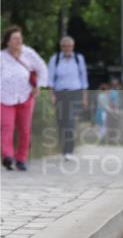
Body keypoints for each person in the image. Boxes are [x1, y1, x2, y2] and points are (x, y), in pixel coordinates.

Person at [0, 25, 48, 170]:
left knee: (24, 129)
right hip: (4, 97)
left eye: (19, 38)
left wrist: (39, 85)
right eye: (14, 38)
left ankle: (21, 158)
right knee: (6, 127)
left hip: (25, 95)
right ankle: (7, 155)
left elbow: (42, 68)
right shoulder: (1, 56)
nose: (18, 41)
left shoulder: (29, 53)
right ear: (7, 42)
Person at [47, 35, 89, 160]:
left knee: (70, 121)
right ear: (61, 47)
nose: (67, 48)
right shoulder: (55, 59)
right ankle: (63, 148)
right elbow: (50, 80)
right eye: (64, 46)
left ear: (73, 46)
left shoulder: (78, 59)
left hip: (75, 93)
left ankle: (69, 150)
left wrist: (84, 97)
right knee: (61, 122)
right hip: (60, 94)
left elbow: (84, 79)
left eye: (69, 46)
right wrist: (51, 95)